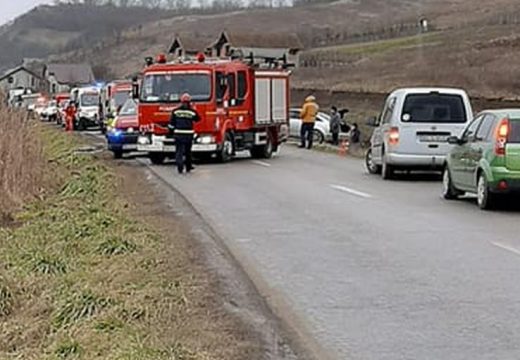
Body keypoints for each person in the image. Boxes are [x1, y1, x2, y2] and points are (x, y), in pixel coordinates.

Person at [168, 93, 200, 174]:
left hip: (178, 134)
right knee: (188, 151)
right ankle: (188, 167)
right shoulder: (192, 112)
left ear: (181, 102)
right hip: (189, 134)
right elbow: (198, 119)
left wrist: (171, 132)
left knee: (179, 151)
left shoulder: (175, 111)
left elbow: (171, 124)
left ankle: (180, 165)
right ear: (189, 102)